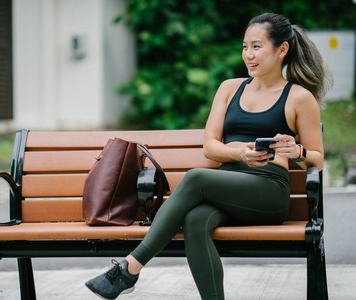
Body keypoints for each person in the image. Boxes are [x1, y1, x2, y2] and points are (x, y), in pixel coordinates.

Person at [85, 12, 332, 300]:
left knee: (195, 177)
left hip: (268, 191)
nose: (248, 55)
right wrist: (239, 152)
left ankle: (130, 267)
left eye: (256, 46)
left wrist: (297, 151)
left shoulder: (298, 97)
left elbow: (317, 159)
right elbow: (210, 146)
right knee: (195, 220)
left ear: (282, 50)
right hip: (226, 186)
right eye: (244, 47)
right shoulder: (229, 89)